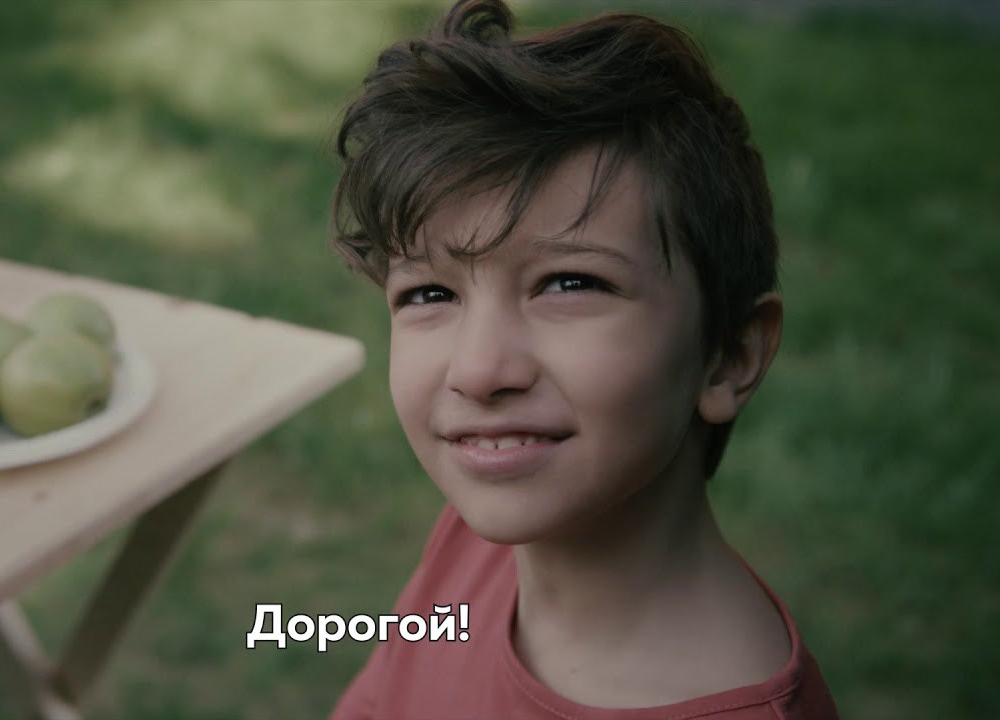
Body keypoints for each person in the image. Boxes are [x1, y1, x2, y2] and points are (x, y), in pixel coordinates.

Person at [327, 1, 840, 718]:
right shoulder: (481, 539)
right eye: (430, 293)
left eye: (570, 284)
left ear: (729, 356)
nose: (478, 371)